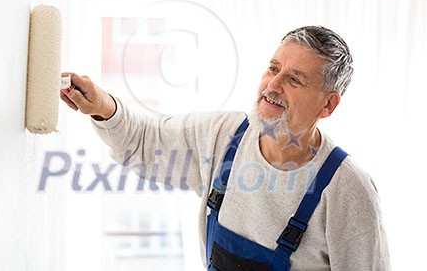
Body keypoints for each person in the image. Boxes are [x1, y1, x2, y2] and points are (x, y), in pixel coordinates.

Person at [60, 26, 391, 270]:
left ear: (327, 105)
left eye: (294, 79)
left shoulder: (348, 190)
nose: (272, 86)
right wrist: (104, 107)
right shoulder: (224, 136)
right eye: (273, 68)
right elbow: (146, 143)